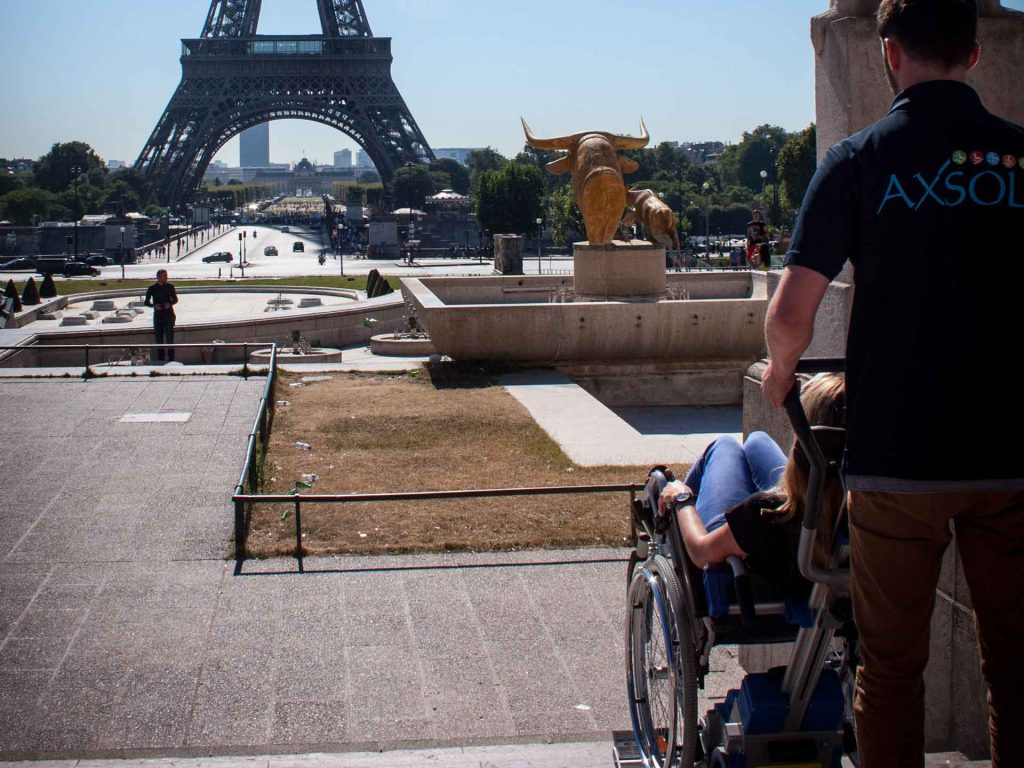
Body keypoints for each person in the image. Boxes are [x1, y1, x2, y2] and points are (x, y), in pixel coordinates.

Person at [760, 2, 1024, 766]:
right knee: (1014, 667)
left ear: (888, 53)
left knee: (892, 669)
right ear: (974, 55)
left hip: (898, 454)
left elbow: (790, 313)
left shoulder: (857, 161)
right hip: (1010, 450)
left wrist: (781, 374)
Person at [658, 373, 846, 589]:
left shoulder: (768, 513)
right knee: (757, 440)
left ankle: (674, 535)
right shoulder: (872, 516)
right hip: (815, 542)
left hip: (751, 560)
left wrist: (682, 499)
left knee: (724, 445)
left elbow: (702, 552)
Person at [144, 269, 178, 363]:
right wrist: (153, 306)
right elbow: (146, 302)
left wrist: (170, 304)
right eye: (164, 276)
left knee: (170, 338)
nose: (165, 277)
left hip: (168, 315)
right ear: (158, 277)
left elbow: (175, 299)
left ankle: (172, 359)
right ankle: (161, 359)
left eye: (166, 276)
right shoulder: (152, 288)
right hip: (158, 316)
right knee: (159, 339)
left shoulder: (170, 286)